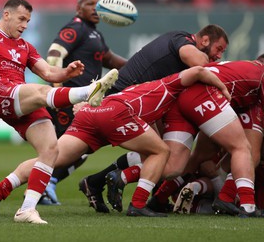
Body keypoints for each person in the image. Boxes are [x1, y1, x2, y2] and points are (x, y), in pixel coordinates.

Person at [0, 0, 119, 224]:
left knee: (51, 150)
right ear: (6, 15)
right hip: (1, 94)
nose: (25, 25)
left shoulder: (25, 46)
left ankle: (24, 208)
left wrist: (67, 72)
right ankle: (89, 92)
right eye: (21, 19)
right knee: (40, 92)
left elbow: (48, 72)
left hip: (21, 100)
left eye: (28, 21)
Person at [17, 65, 231, 217]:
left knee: (54, 158)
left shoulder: (147, 89)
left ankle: (2, 188)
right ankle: (137, 203)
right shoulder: (171, 85)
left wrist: (88, 108)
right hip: (115, 116)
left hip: (99, 112)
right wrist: (222, 88)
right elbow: (199, 71)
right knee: (162, 153)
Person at [76, 24, 228, 213]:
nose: (219, 55)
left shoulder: (177, 38)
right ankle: (114, 185)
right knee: (159, 154)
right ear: (204, 40)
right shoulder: (183, 40)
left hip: (139, 102)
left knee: (157, 152)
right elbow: (199, 62)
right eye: (218, 49)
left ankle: (98, 183)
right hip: (126, 100)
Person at [107, 57, 264, 217]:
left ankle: (128, 182)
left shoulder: (239, 66)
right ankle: (247, 206)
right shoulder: (260, 72)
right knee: (242, 148)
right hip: (205, 95)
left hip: (182, 99)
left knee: (173, 167)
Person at [40, 0, 127, 205]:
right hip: (69, 99)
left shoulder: (94, 34)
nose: (96, 9)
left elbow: (110, 59)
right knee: (75, 147)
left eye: (99, 5)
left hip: (83, 102)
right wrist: (57, 89)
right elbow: (54, 54)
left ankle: (46, 184)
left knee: (81, 148)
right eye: (90, 4)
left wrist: (144, 64)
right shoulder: (76, 27)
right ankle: (43, 184)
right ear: (79, 8)